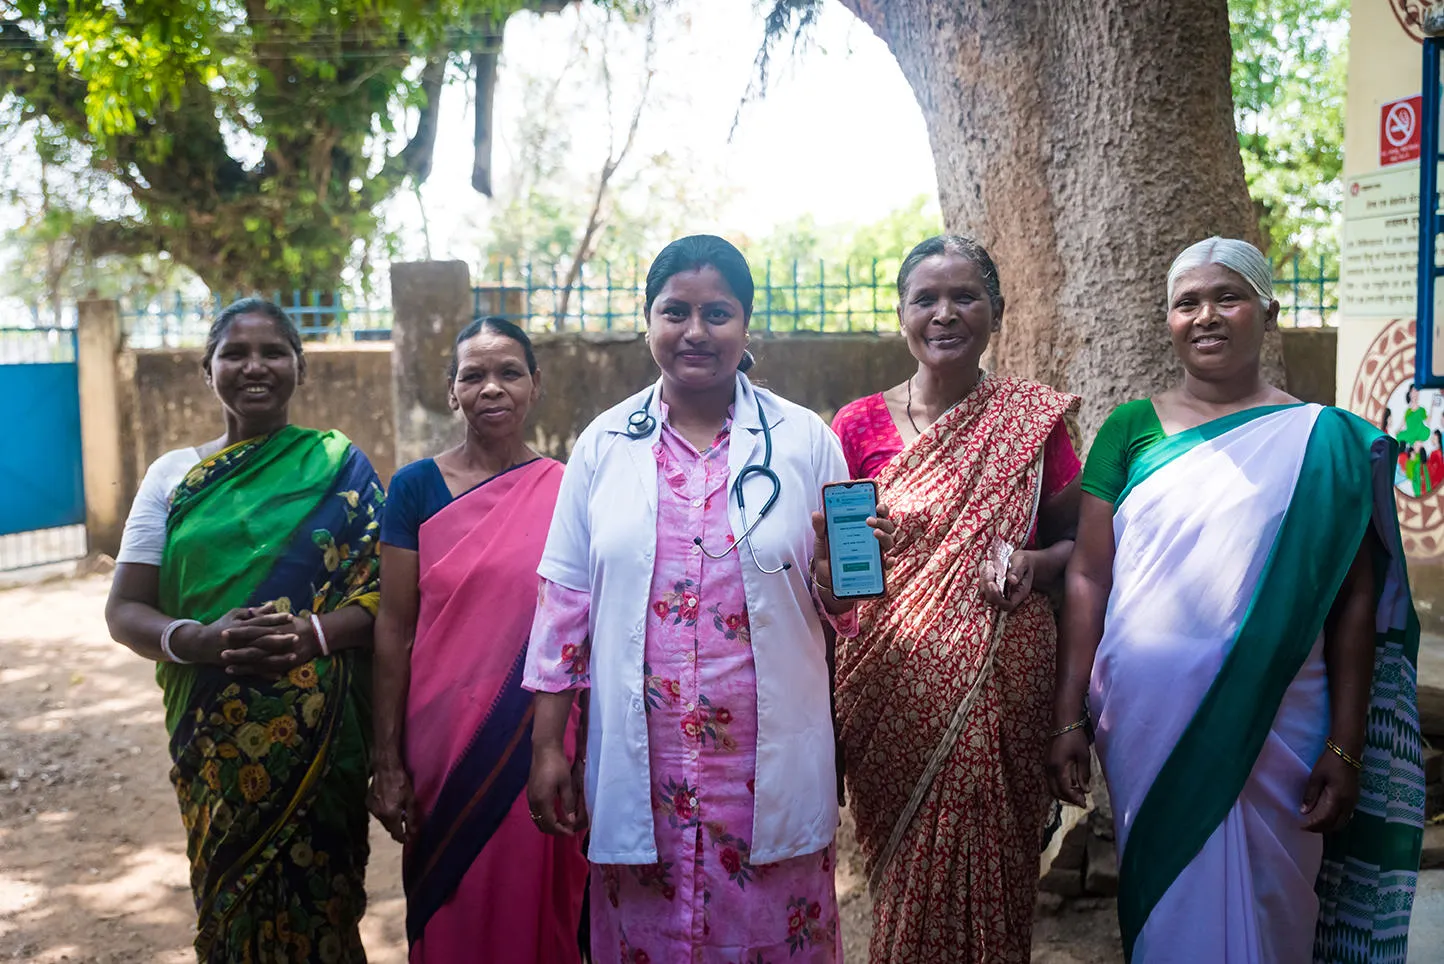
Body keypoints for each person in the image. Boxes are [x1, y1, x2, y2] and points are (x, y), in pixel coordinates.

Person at [1049, 237, 1424, 963]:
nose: (1206, 316)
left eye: (1228, 297)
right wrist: (1068, 714)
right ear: (1168, 320)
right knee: (1165, 914)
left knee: (1276, 910)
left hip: (1284, 727)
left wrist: (1346, 744)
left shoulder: (1329, 444)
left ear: (1267, 312)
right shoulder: (1131, 429)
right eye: (1187, 302)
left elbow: (1353, 603)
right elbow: (1089, 575)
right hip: (1144, 727)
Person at [522, 234, 895, 963]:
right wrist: (547, 746)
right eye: (676, 311)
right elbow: (564, 604)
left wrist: (836, 580)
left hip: (765, 765)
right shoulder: (603, 445)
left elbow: (845, 603)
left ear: (746, 325)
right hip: (646, 766)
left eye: (717, 312)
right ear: (648, 320)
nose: (696, 331)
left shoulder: (805, 439)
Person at [105, 298, 384, 963]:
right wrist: (202, 640)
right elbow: (126, 610)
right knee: (231, 897)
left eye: (272, 352)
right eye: (234, 353)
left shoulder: (341, 467)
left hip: (323, 751)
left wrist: (314, 634)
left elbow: (388, 598)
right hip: (214, 741)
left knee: (325, 908)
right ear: (208, 370)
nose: (253, 367)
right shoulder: (172, 476)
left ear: (299, 366)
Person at [829, 235, 1081, 963]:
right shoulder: (857, 426)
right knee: (905, 881)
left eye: (965, 296)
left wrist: (1032, 561)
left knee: (995, 881)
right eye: (926, 298)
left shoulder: (1032, 423)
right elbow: (835, 569)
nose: (946, 313)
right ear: (902, 315)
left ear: (995, 313)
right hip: (887, 689)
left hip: (1006, 686)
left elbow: (1080, 548)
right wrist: (839, 562)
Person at [369, 317, 587, 962]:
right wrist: (386, 760)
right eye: (474, 375)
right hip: (441, 737)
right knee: (451, 899)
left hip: (540, 735)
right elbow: (394, 627)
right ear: (451, 392)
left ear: (535, 386)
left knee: (541, 896)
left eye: (509, 372)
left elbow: (584, 622)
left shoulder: (569, 486)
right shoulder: (414, 489)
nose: (492, 388)